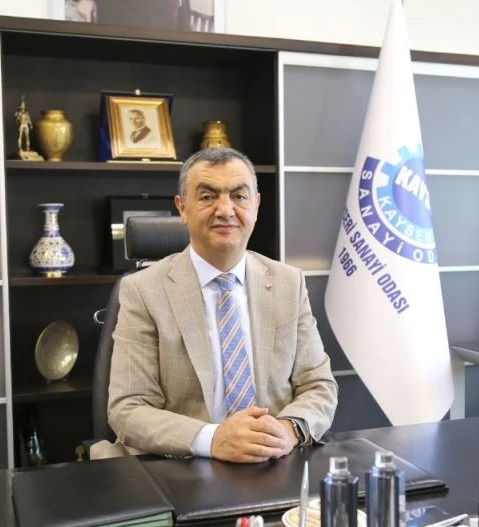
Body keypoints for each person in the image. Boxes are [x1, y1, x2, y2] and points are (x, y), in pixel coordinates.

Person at [98, 147, 338, 463]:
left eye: (239, 196)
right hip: (184, 466)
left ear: (256, 205)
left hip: (274, 462)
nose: (225, 210)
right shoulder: (143, 290)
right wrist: (212, 439)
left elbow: (319, 386)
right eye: (207, 197)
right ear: (182, 208)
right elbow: (128, 408)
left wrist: (288, 430)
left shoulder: (288, 283)